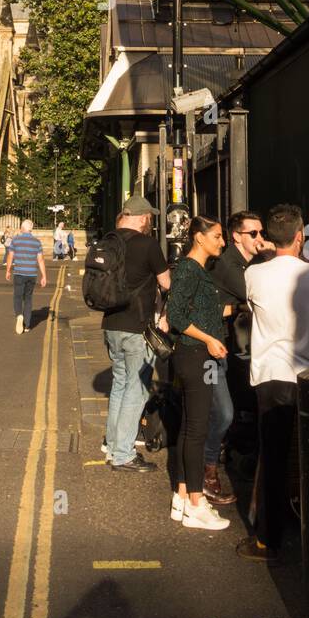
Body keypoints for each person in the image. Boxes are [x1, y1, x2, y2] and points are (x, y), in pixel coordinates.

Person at [237, 203, 309, 562]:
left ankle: (267, 539)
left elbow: (248, 306)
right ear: (300, 237)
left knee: (274, 459)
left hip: (272, 377)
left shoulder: (254, 275)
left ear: (269, 238)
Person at [166, 216, 232, 530]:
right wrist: (210, 340)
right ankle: (196, 502)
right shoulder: (189, 269)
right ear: (199, 238)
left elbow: (201, 311)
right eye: (217, 236)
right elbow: (176, 315)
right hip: (197, 357)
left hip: (196, 355)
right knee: (198, 429)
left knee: (189, 427)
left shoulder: (196, 270)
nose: (222, 242)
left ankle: (181, 495)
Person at [201, 210, 270, 505]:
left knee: (225, 409)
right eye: (253, 234)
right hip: (207, 346)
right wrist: (273, 256)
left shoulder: (246, 262)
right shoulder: (230, 263)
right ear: (236, 237)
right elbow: (253, 294)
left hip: (224, 345)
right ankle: (206, 473)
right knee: (221, 411)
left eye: (262, 232)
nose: (260, 238)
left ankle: (212, 463)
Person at [101, 195, 172, 474]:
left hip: (110, 324)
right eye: (150, 218)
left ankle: (113, 443)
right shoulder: (147, 245)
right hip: (137, 327)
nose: (150, 222)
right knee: (137, 389)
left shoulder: (108, 241)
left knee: (120, 385)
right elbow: (166, 283)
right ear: (143, 217)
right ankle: (123, 454)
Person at [5, 219, 46, 333]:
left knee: (17, 296)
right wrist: (44, 276)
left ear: (22, 229)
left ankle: (19, 315)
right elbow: (41, 260)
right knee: (28, 298)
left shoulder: (16, 240)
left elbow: (10, 256)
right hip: (32, 274)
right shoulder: (37, 242)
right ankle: (27, 325)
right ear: (31, 229)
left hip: (19, 273)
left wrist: (8, 270)